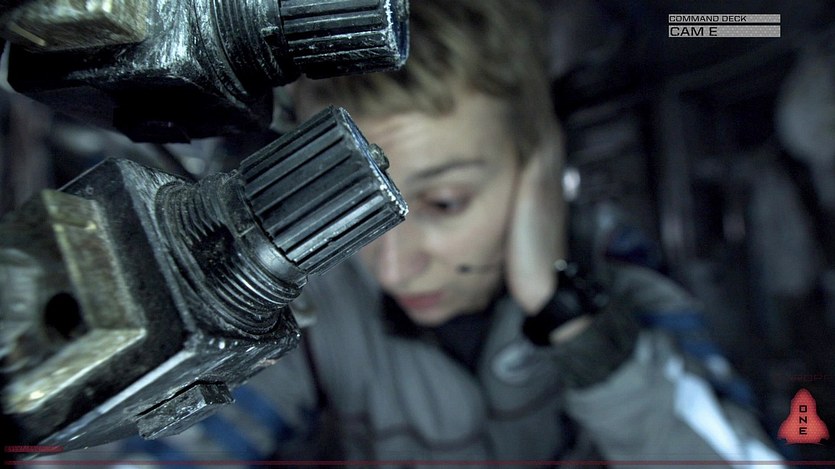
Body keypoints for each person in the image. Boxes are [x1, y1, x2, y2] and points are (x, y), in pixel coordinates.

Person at [68, 0, 785, 466]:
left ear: (535, 168)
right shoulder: (312, 311)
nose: (391, 267)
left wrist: (569, 318)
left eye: (444, 203)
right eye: (346, 207)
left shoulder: (616, 277)